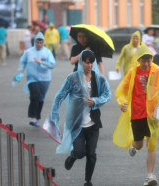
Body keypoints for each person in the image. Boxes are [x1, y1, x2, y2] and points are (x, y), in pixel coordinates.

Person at [50, 50, 111, 186]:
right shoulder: (72, 78)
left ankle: (87, 181)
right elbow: (59, 96)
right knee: (80, 152)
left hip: (93, 123)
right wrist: (54, 115)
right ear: (81, 62)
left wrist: (95, 101)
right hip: (77, 123)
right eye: (87, 62)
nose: (89, 65)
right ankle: (73, 156)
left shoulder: (99, 78)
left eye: (91, 62)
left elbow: (107, 94)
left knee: (91, 154)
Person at [113, 44, 159, 186]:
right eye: (143, 61)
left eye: (149, 60)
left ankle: (149, 175)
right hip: (137, 114)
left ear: (152, 59)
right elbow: (120, 91)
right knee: (139, 146)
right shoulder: (133, 73)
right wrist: (121, 103)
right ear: (138, 60)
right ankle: (134, 145)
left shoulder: (157, 71)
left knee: (151, 144)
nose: (146, 64)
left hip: (153, 115)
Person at [18, 32, 55, 127]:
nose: (39, 44)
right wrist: (20, 69)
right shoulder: (28, 51)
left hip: (45, 79)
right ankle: (33, 117)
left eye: (41, 43)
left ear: (43, 43)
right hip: (32, 78)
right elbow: (23, 61)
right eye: (37, 42)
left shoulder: (47, 52)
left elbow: (52, 64)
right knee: (34, 95)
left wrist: (41, 62)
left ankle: (37, 118)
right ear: (35, 42)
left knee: (41, 98)